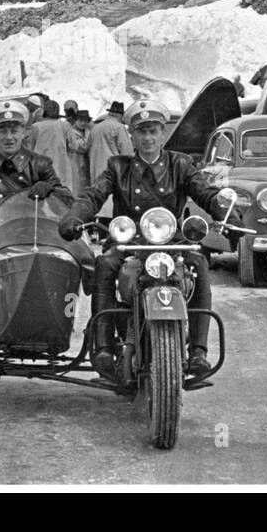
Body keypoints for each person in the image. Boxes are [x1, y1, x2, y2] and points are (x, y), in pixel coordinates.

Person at [58, 99, 233, 379]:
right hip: (130, 241)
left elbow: (205, 192)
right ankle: (104, 347)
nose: (148, 138)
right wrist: (75, 216)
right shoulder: (118, 167)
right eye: (141, 131)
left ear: (163, 133)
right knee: (105, 264)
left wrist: (227, 214)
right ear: (132, 135)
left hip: (170, 242)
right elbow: (94, 194)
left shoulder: (181, 164)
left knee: (199, 265)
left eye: (153, 131)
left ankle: (198, 352)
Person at [0, 100, 72, 253]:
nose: (9, 137)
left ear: (24, 133)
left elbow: (67, 202)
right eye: (2, 131)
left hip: (35, 241)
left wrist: (50, 190)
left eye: (14, 131)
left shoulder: (40, 164)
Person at [29, 99, 83, 189]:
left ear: (44, 112)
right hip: (62, 167)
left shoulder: (36, 127)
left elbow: (29, 149)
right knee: (62, 196)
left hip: (40, 167)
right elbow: (73, 146)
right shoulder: (65, 125)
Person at [87, 100, 132, 178]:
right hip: (112, 170)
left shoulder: (95, 128)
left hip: (95, 168)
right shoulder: (119, 127)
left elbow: (88, 147)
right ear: (121, 115)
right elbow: (126, 151)